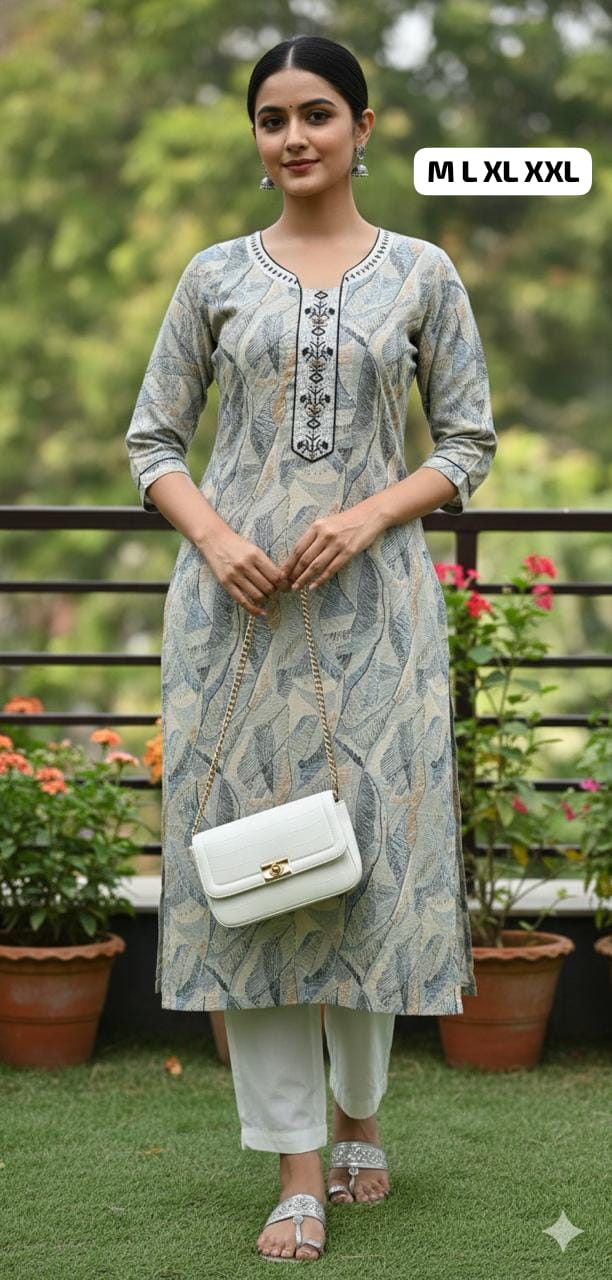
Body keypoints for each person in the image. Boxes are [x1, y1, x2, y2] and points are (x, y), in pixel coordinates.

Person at [124, 33, 497, 1264]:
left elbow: (468, 442)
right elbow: (152, 441)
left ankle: (361, 1114)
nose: (294, 136)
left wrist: (369, 513)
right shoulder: (213, 276)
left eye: (318, 113)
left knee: (366, 867)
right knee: (259, 879)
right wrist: (219, 538)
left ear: (364, 126)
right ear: (257, 136)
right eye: (273, 117)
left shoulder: (424, 274)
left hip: (378, 617)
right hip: (233, 621)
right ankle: (295, 1164)